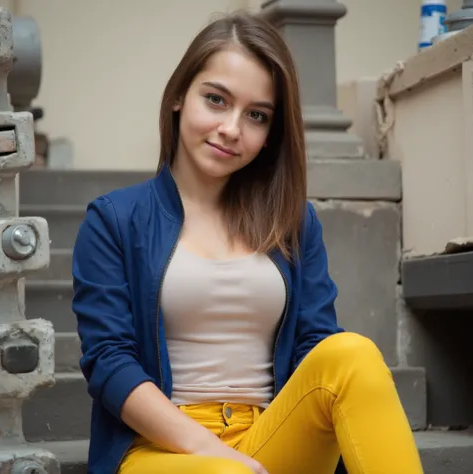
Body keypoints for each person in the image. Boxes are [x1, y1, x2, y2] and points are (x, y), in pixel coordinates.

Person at [72, 12, 424, 474]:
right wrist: (212, 451)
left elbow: (315, 346)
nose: (232, 129)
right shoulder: (116, 219)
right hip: (160, 448)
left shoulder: (293, 221)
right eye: (216, 100)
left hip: (273, 432)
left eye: (256, 115)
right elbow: (109, 363)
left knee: (350, 354)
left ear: (270, 134)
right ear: (179, 95)